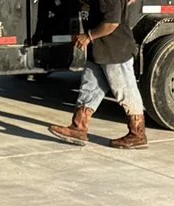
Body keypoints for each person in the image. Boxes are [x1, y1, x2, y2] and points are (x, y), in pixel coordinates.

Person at [48, 0, 146, 150]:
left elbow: (111, 23)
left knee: (126, 91)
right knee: (89, 88)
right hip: (100, 50)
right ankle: (78, 128)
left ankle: (137, 134)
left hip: (115, 51)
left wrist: (88, 36)